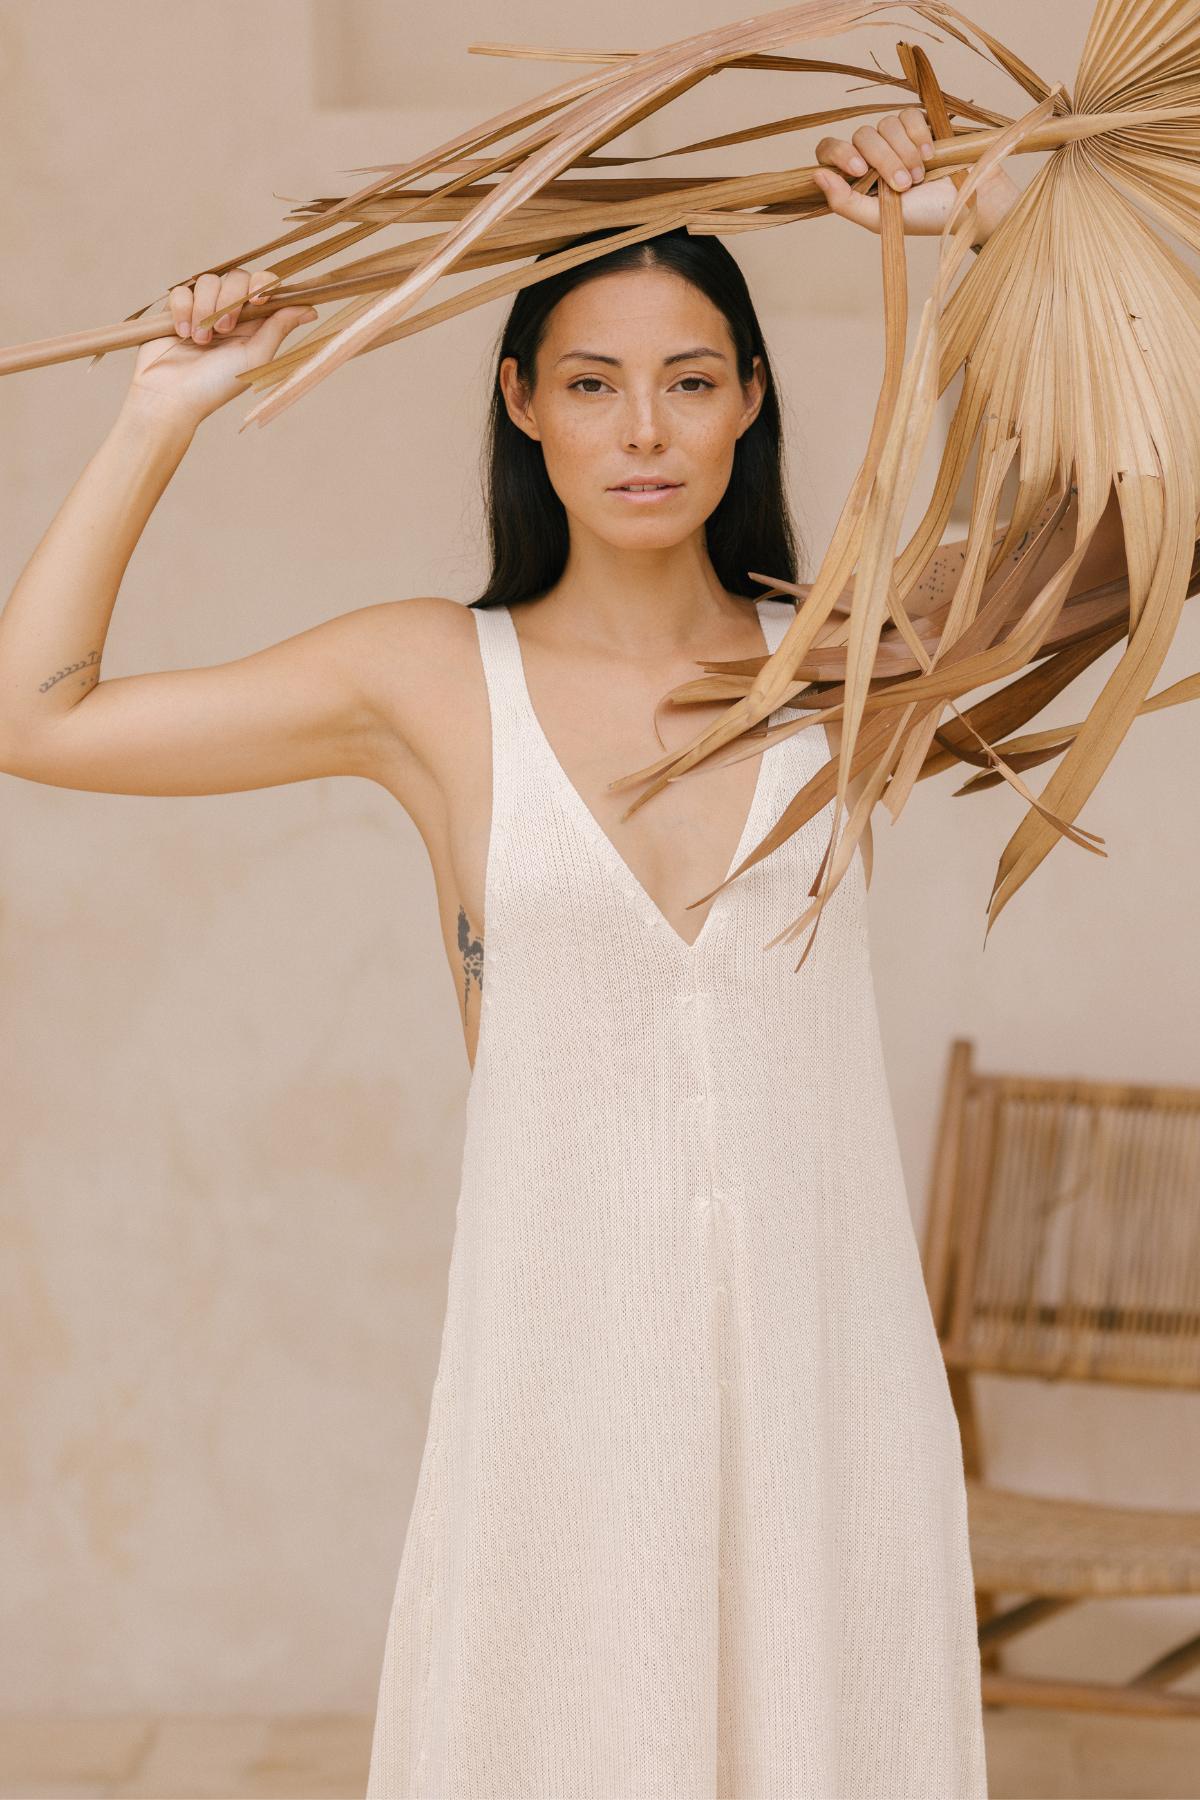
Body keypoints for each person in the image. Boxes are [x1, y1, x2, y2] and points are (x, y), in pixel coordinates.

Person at [0, 108, 1120, 1798]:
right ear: (521, 402)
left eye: (689, 378)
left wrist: (989, 240)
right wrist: (164, 408)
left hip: (826, 1375)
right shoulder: (423, 678)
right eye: (592, 381)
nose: (644, 428)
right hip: (561, 1372)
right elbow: (38, 713)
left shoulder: (846, 662)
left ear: (752, 398)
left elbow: (1111, 560)